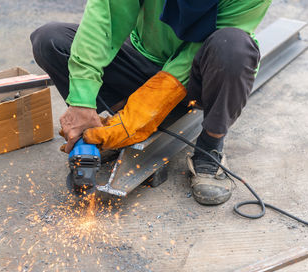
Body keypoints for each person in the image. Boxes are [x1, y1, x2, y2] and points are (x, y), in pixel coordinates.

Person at [30, 0, 271, 205]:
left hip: (199, 78)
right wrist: (82, 101)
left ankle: (210, 146)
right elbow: (106, 17)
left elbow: (190, 56)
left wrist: (139, 116)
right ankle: (117, 121)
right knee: (50, 40)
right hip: (143, 60)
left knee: (234, 48)